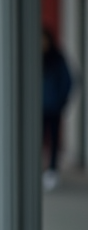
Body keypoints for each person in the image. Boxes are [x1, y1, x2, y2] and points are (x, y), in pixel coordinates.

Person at [42, 27, 74, 191]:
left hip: (53, 108)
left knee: (54, 140)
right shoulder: (35, 59)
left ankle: (52, 171)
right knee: (38, 141)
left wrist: (61, 101)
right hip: (38, 109)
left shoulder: (57, 59)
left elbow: (69, 80)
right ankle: (39, 169)